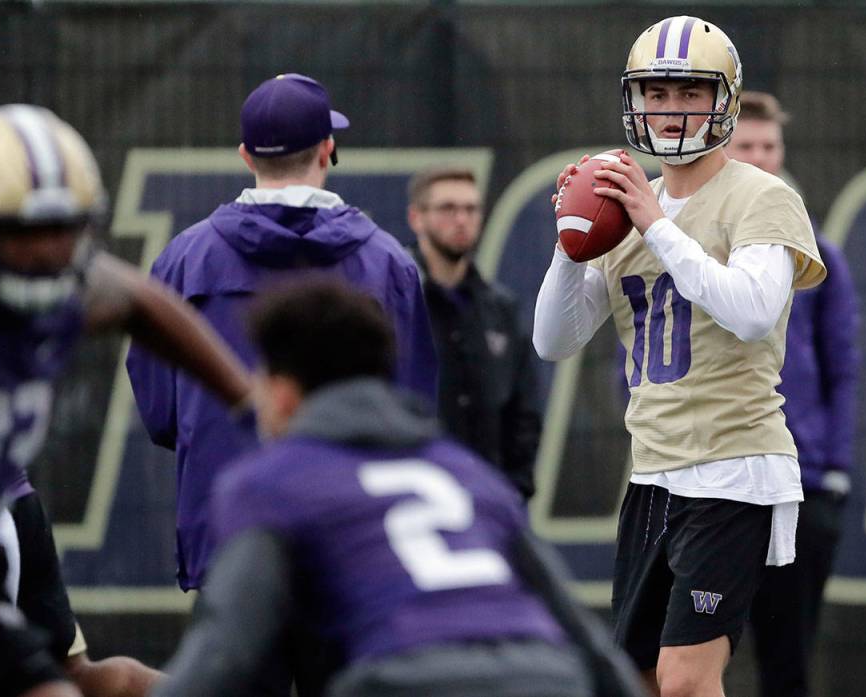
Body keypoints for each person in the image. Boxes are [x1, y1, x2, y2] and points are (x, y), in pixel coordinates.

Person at [0, 104, 250, 697]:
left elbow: (140, 303)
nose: (44, 253)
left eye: (60, 230)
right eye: (19, 232)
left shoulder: (68, 292)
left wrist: (248, 398)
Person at [151, 277, 647, 697]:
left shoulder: (269, 482)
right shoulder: (467, 473)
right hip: (550, 680)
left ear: (281, 391)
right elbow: (587, 639)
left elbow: (223, 656)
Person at [533, 16, 826, 697]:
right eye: (656, 93)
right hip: (653, 470)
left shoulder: (761, 195)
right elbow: (554, 340)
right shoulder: (631, 209)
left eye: (690, 92)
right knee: (636, 678)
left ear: (724, 99)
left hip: (734, 468)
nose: (670, 110)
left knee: (686, 681)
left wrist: (656, 225)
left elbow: (752, 312)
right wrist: (570, 243)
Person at [126, 72, 437, 592]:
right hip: (353, 537)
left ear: (246, 156)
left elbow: (161, 413)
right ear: (327, 149)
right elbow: (412, 410)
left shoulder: (184, 258)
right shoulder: (386, 263)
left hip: (228, 533)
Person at [725, 91, 860, 697]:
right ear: (723, 149)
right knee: (689, 655)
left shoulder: (818, 257)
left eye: (769, 146)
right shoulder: (687, 248)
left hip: (800, 484)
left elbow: (843, 367)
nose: (759, 157)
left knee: (787, 661)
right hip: (712, 479)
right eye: (746, 146)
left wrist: (833, 470)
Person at [406, 166, 540, 500]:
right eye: (447, 208)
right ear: (416, 218)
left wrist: (513, 489)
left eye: (471, 209)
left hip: (488, 498)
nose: (461, 219)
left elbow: (523, 413)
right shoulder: (395, 304)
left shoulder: (501, 309)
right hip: (413, 497)